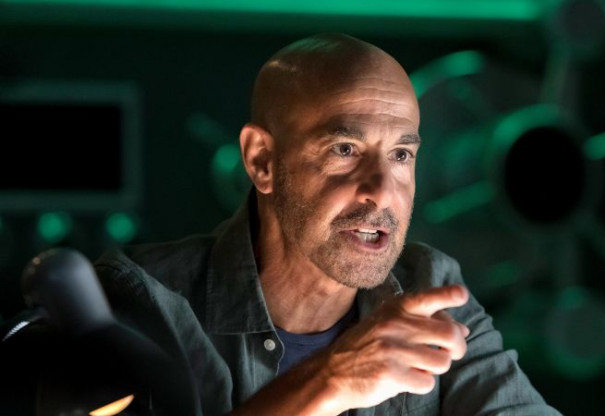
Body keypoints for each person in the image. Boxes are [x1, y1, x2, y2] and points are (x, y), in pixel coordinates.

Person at [95, 33, 561, 416]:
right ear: (262, 161)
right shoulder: (144, 300)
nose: (381, 191)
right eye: (345, 150)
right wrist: (329, 380)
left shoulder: (430, 290)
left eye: (401, 155)